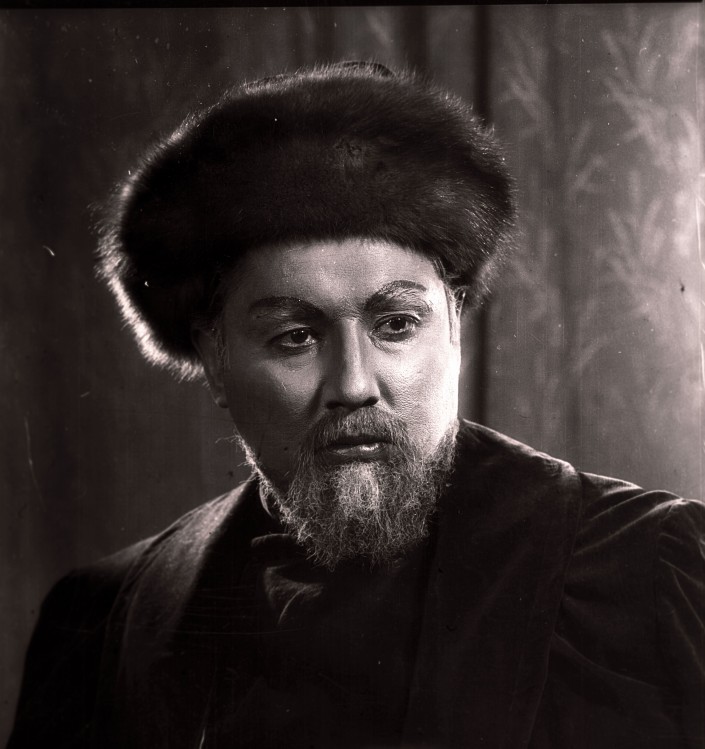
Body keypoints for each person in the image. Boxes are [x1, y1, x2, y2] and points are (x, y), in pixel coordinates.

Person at [8, 62, 704, 749]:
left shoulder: (648, 573)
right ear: (215, 360)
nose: (353, 383)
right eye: (295, 336)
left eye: (395, 324)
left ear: (454, 325)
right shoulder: (105, 619)